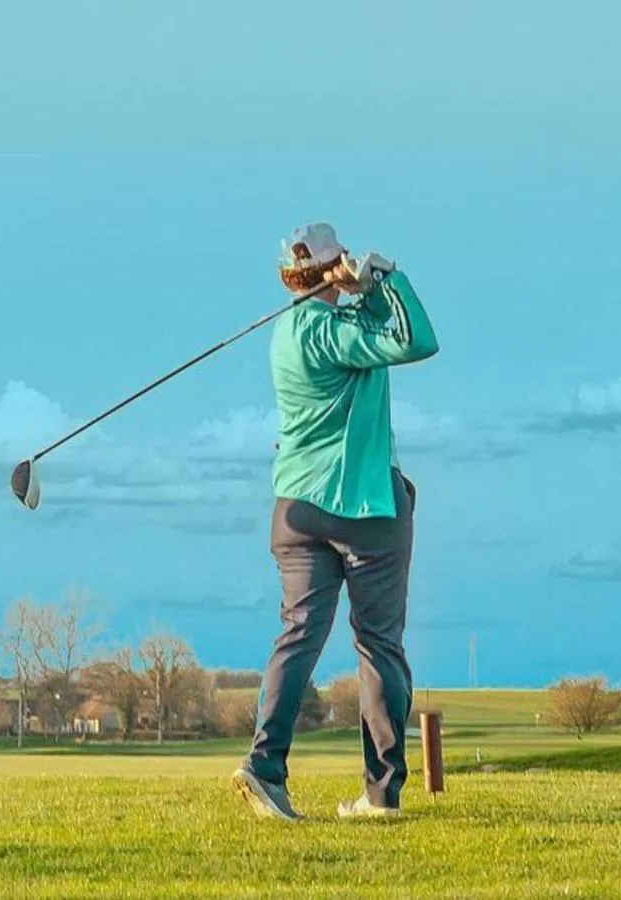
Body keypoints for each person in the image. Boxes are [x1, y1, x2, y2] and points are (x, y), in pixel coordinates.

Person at [230, 222, 438, 821]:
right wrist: (385, 278)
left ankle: (265, 766)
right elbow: (416, 339)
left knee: (298, 635)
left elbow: (373, 333)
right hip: (364, 506)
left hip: (294, 509)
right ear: (330, 269)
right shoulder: (336, 331)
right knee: (378, 645)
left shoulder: (287, 332)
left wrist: (356, 289)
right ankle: (381, 795)